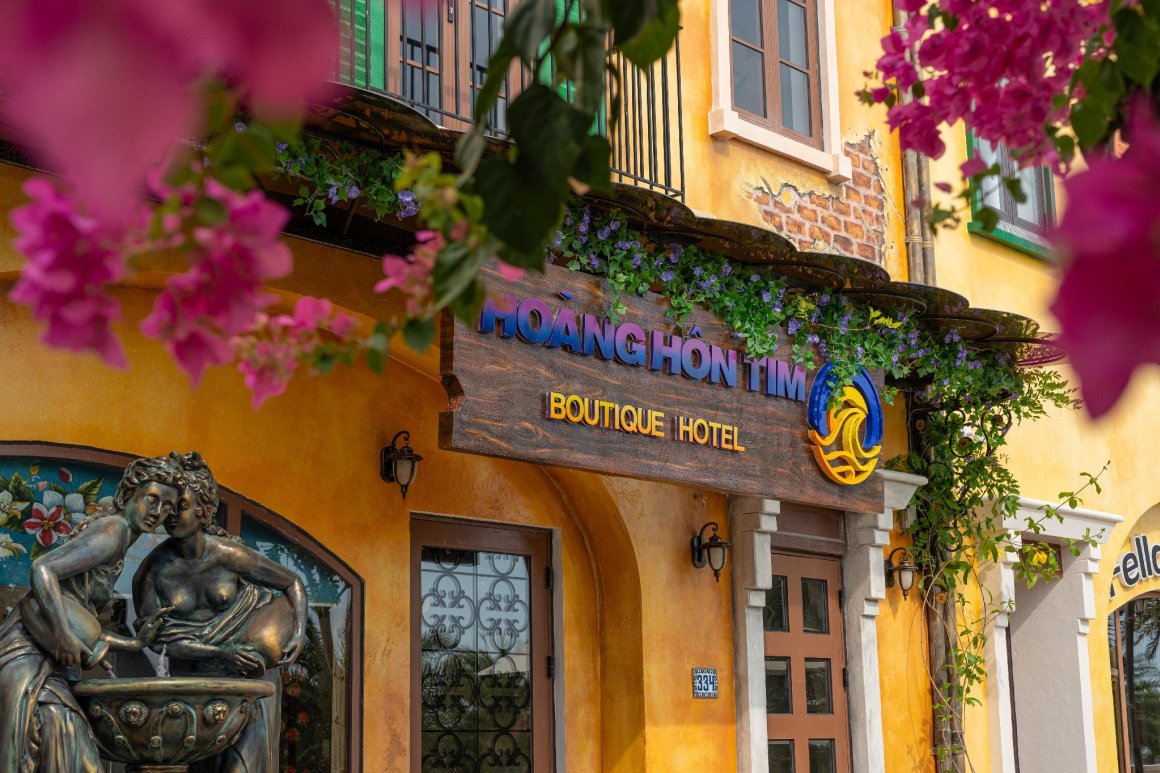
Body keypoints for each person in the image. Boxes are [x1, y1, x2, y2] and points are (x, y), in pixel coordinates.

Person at [0, 454, 183, 772]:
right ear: (129, 495)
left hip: (48, 660)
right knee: (70, 751)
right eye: (152, 500)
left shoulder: (121, 540)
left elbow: (84, 627)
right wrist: (61, 634)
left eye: (167, 507)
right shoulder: (113, 531)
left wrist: (136, 643)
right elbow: (42, 569)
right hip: (29, 655)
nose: (158, 512)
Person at [133, 451, 307, 773]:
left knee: (241, 769)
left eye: (182, 506)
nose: (172, 516)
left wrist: (297, 634)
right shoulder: (151, 572)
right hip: (195, 683)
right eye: (169, 508)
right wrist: (221, 652)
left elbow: (292, 583)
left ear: (203, 510)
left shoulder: (229, 555)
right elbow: (156, 640)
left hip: (246, 678)